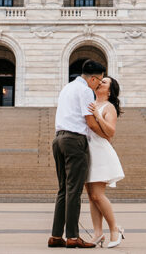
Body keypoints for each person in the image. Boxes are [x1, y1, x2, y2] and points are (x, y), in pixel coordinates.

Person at [48, 60, 106, 249]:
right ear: (93, 78)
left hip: (59, 140)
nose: (99, 85)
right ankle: (73, 236)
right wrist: (105, 134)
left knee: (63, 189)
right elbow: (89, 121)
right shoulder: (86, 90)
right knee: (74, 189)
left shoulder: (67, 87)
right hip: (74, 141)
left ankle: (56, 235)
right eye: (99, 81)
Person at [86, 77, 125, 248]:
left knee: (97, 195)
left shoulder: (109, 107)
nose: (100, 82)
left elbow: (110, 132)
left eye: (105, 82)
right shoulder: (90, 101)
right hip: (87, 151)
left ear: (110, 90)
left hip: (100, 152)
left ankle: (115, 229)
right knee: (91, 197)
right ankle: (97, 233)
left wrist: (97, 116)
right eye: (101, 81)